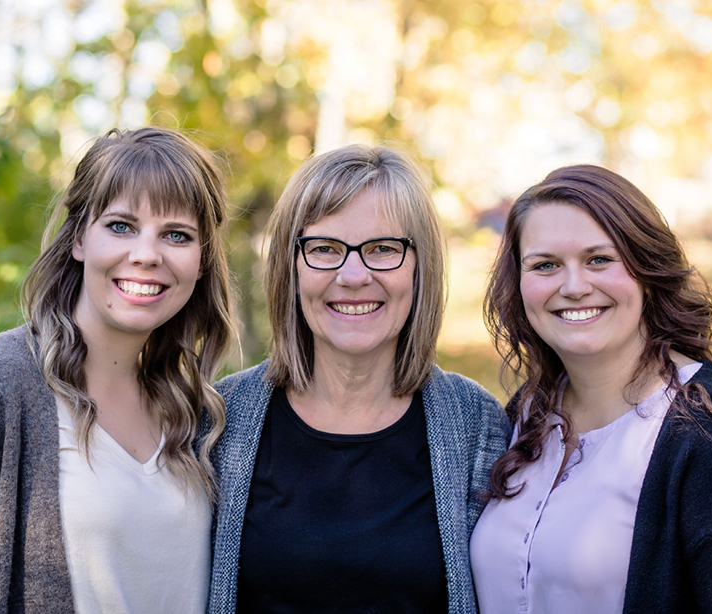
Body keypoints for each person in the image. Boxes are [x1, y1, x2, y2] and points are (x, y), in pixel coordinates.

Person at [0, 127, 237, 613]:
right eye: (120, 226)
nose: (146, 254)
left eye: (176, 235)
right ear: (77, 240)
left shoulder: (201, 414)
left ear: (200, 263)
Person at [471, 164, 712, 613]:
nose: (574, 286)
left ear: (646, 269)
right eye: (545, 265)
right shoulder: (525, 415)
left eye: (599, 259)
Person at [209, 144, 509, 613]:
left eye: (383, 249)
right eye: (324, 249)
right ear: (291, 267)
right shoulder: (220, 422)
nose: (353, 275)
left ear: (420, 267)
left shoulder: (476, 425)